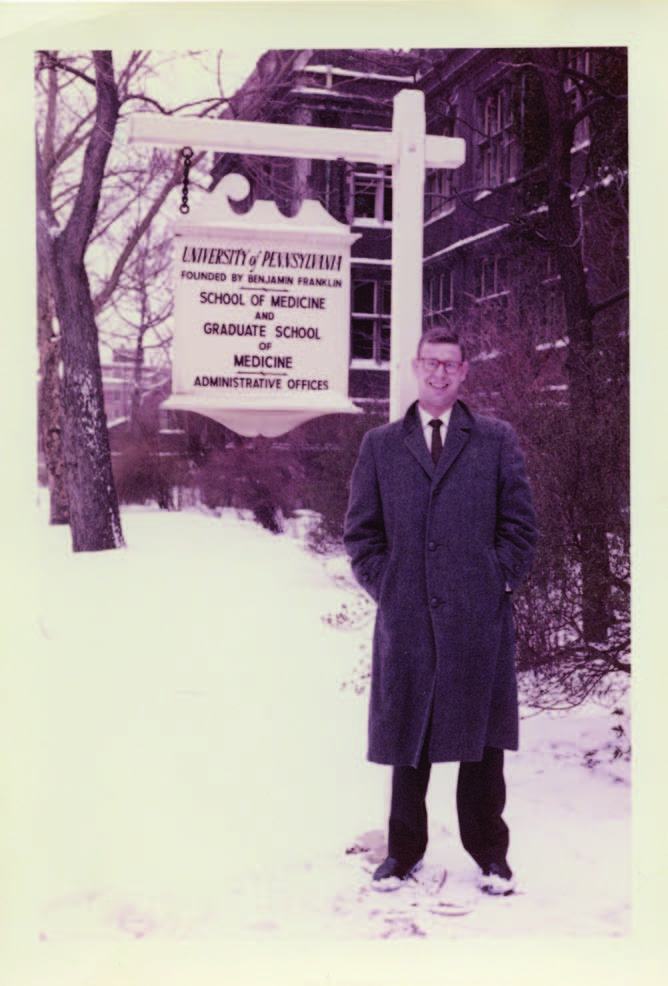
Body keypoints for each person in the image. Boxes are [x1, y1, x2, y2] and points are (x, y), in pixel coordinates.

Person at [343, 325, 538, 894]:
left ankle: (491, 856)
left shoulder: (496, 439)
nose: (440, 373)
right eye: (431, 363)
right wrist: (390, 586)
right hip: (406, 621)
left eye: (450, 365)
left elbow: (520, 527)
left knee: (483, 746)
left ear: (464, 372)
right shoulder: (380, 445)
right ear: (414, 367)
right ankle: (402, 853)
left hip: (479, 622)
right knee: (410, 739)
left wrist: (497, 581)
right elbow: (360, 534)